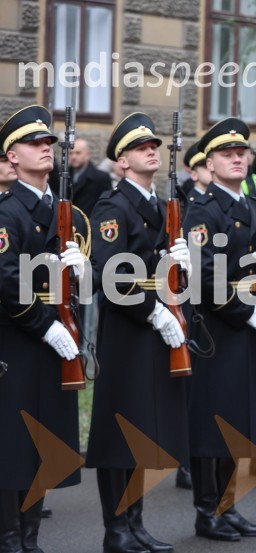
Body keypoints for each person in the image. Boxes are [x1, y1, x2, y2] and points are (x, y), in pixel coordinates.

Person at [85, 112, 191, 553]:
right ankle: (116, 530)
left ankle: (136, 522)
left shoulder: (160, 205)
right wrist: (155, 312)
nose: (152, 151)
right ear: (122, 161)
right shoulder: (114, 206)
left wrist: (180, 268)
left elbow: (162, 271)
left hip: (155, 327)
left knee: (144, 428)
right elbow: (113, 274)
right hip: (129, 330)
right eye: (140, 147)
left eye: (154, 146)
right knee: (121, 431)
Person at [183, 117, 256, 542]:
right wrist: (249, 313)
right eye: (227, 154)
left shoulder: (250, 207)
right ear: (210, 163)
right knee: (214, 421)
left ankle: (228, 505)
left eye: (242, 153)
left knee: (239, 421)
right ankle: (207, 510)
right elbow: (206, 278)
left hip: (245, 328)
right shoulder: (202, 210)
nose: (238, 159)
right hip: (218, 330)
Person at [0, 105, 89, 553]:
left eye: (48, 142)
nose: (45, 148)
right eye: (34, 143)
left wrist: (84, 273)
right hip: (19, 340)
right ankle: (9, 537)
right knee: (14, 442)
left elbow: (87, 282)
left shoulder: (66, 211)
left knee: (43, 441)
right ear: (12, 157)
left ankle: (30, 536)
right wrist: (45, 325)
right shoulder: (7, 212)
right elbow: (7, 279)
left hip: (56, 338)